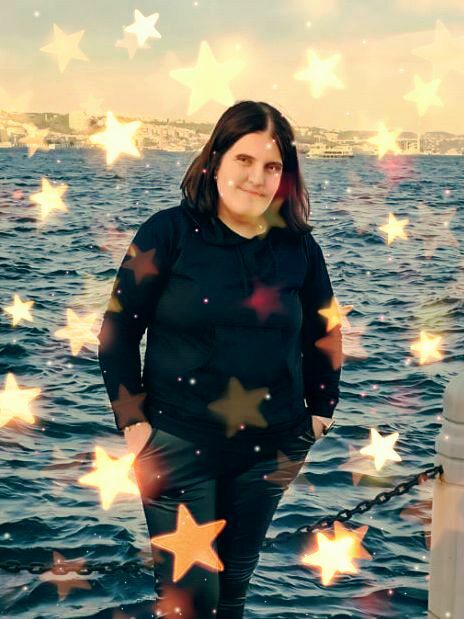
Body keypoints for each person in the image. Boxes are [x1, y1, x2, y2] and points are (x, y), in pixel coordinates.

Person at [97, 100, 342, 618]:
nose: (257, 178)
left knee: (232, 588)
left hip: (271, 449)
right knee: (192, 599)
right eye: (244, 160)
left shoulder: (299, 249)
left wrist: (321, 410)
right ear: (215, 161)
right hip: (177, 443)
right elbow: (118, 330)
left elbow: (325, 329)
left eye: (271, 166)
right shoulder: (167, 234)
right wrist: (134, 424)